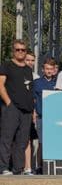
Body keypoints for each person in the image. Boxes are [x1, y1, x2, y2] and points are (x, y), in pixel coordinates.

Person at [0, 39, 34, 175]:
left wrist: (32, 110)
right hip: (12, 108)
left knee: (22, 141)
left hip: (26, 110)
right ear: (13, 51)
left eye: (23, 50)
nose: (20, 52)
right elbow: (0, 85)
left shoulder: (28, 69)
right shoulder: (6, 65)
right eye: (17, 49)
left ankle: (18, 169)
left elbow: (29, 89)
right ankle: (3, 167)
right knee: (7, 138)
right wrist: (8, 103)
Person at [33, 58, 57, 174]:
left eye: (51, 69)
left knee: (53, 142)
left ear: (54, 70)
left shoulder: (57, 82)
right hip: (41, 117)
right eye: (47, 69)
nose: (49, 71)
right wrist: (34, 115)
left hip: (55, 119)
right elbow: (33, 100)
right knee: (42, 143)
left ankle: (52, 166)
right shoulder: (37, 83)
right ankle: (39, 166)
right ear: (43, 69)